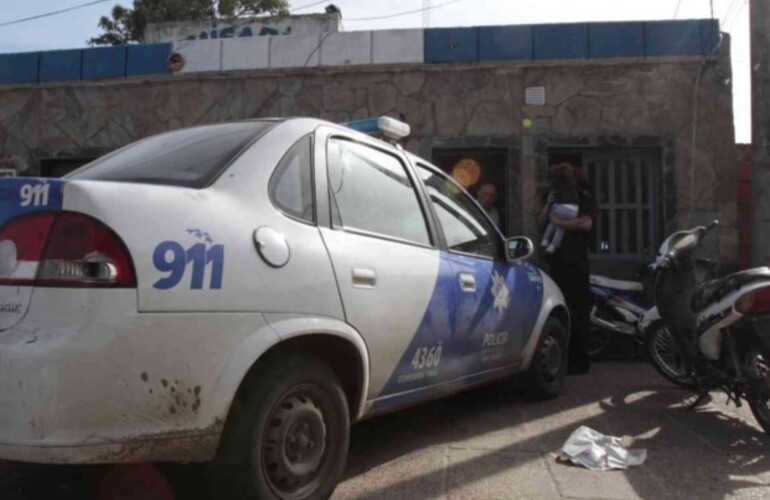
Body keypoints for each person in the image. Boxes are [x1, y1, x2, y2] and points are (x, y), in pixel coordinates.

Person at [537, 163, 594, 375]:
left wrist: (557, 221)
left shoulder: (583, 196)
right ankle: (561, 359)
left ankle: (580, 361)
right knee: (559, 311)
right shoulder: (552, 195)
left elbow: (585, 223)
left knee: (578, 310)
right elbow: (540, 224)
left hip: (576, 262)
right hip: (556, 262)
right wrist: (547, 208)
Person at [540, 163, 580, 254]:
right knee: (560, 227)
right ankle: (553, 245)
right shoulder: (574, 186)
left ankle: (546, 240)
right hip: (574, 210)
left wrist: (548, 205)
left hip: (560, 207)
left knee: (554, 222)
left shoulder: (555, 185)